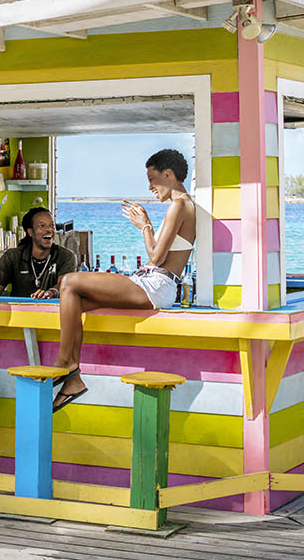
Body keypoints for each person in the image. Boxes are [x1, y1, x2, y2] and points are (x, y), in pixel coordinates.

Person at [52, 149, 196, 411]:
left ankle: (65, 364)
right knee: (73, 298)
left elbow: (157, 257)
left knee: (70, 281)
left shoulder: (179, 205)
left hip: (156, 285)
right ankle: (72, 380)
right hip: (153, 282)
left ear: (168, 174)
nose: (150, 187)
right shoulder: (182, 205)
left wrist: (145, 225)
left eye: (152, 179)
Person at [0, 207, 77, 299]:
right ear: (30, 232)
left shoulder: (66, 256)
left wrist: (51, 293)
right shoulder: (13, 256)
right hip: (20, 312)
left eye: (52, 225)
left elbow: (64, 285)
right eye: (42, 225)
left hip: (53, 312)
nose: (49, 230)